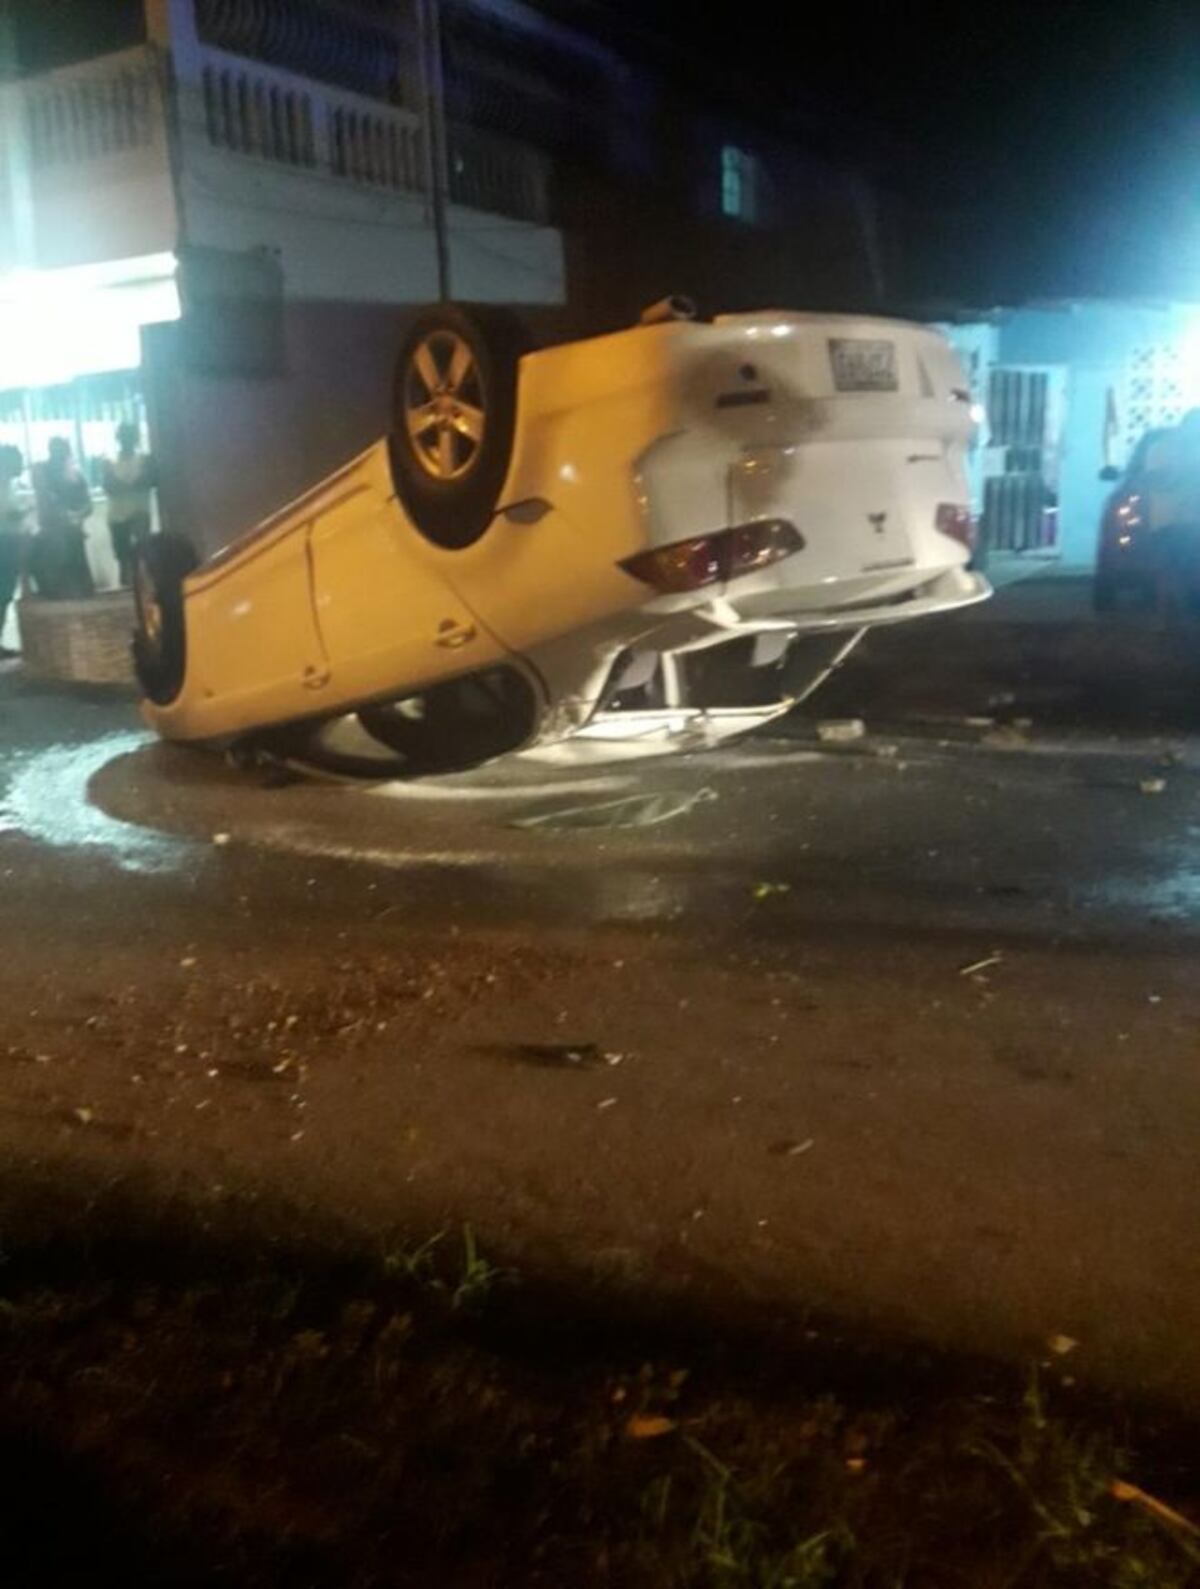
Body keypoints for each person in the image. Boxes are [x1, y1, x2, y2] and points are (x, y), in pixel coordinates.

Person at [30, 437, 94, 600]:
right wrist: (65, 516)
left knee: (78, 577)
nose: (60, 457)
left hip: (73, 530)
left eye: (63, 453)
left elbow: (88, 504)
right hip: (51, 532)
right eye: (57, 453)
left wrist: (76, 516)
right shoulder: (41, 470)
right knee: (57, 580)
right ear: (50, 452)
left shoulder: (76, 475)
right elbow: (46, 498)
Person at [102, 421, 156, 587]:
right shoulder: (109, 461)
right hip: (117, 515)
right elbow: (109, 487)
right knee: (122, 557)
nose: (127, 440)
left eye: (130, 437)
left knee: (143, 554)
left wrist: (122, 486)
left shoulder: (144, 459)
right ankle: (126, 590)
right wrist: (132, 485)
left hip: (139, 512)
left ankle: (144, 586)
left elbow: (149, 481)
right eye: (124, 437)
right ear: (119, 439)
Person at [0, 444, 30, 656]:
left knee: (5, 595)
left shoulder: (9, 485)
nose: (21, 464)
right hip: (4, 543)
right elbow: (8, 516)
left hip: (8, 542)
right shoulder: (2, 485)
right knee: (2, 594)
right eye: (17, 460)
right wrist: (28, 509)